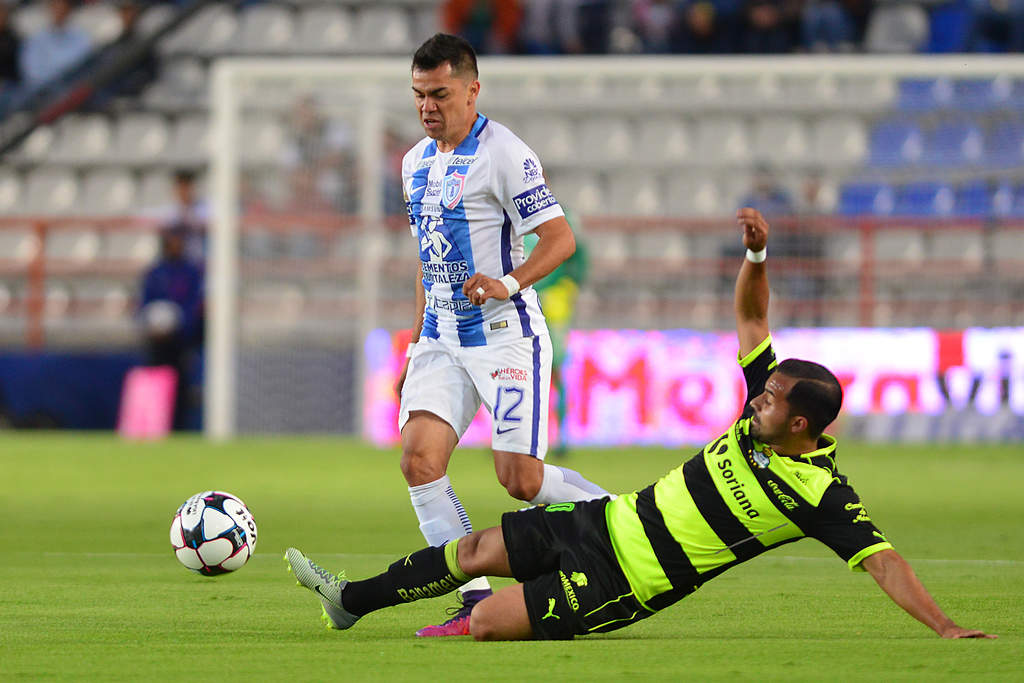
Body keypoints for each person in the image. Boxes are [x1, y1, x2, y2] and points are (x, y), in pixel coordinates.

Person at [286, 208, 995, 642]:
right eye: (764, 392)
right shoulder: (758, 414)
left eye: (773, 400)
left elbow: (883, 561)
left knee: (485, 622)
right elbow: (753, 318)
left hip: (625, 581)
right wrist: (756, 255)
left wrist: (946, 626)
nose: (758, 401)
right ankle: (347, 601)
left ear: (802, 422)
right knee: (472, 549)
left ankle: (452, 615)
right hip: (606, 522)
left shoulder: (821, 495)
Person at [393, 33, 610, 637]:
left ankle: (621, 520)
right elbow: (427, 263)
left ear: (472, 90)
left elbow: (560, 240)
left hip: (504, 336)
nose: (428, 106)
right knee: (419, 460)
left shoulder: (506, 154)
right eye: (419, 95)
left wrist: (507, 283)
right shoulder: (413, 163)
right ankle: (471, 599)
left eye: (440, 94)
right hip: (440, 339)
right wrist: (414, 347)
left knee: (520, 480)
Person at [523, 207, 588, 456]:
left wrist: (572, 282)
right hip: (524, 304)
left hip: (552, 304)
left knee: (556, 371)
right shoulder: (513, 217)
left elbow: (579, 253)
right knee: (518, 371)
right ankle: (515, 437)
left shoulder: (560, 216)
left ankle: (562, 436)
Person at [138, 225, 204, 431]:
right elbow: (144, 303)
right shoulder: (155, 273)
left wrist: (182, 326)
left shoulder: (190, 272)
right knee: (156, 380)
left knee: (181, 384)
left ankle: (179, 426)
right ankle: (155, 424)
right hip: (157, 341)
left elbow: (193, 304)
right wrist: (151, 326)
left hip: (182, 341)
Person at [19, 0, 91, 92]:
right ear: (50, 10)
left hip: (73, 89)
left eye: (62, 9)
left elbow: (85, 67)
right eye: (56, 9)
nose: (59, 13)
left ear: (68, 11)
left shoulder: (81, 38)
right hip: (44, 92)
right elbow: (31, 72)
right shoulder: (36, 39)